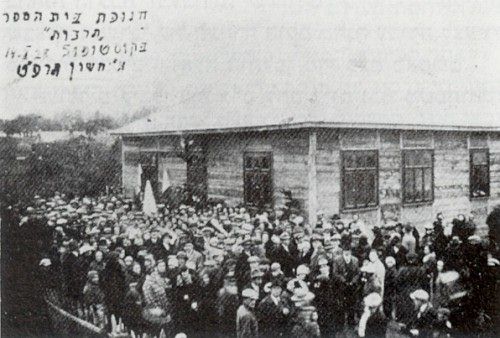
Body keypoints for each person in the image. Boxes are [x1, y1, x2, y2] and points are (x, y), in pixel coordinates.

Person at [332, 242, 360, 328]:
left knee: (351, 304)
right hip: (341, 286)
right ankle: (341, 322)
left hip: (352, 286)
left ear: (351, 252)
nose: (347, 253)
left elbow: (358, 273)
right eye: (345, 251)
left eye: (348, 251)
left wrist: (353, 281)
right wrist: (343, 280)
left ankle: (351, 322)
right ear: (342, 252)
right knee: (341, 304)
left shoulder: (355, 260)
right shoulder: (337, 260)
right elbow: (335, 273)